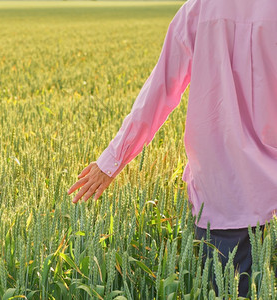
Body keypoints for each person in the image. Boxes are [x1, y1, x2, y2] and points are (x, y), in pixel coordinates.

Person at [67, 0, 277, 297]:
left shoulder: (201, 8)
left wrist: (112, 160)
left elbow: (160, 89)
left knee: (228, 291)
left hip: (225, 186)